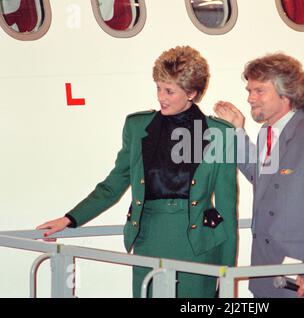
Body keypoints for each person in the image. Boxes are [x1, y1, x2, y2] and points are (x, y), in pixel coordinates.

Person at [37, 46, 238, 298]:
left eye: (169, 91)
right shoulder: (137, 126)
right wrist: (70, 218)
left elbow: (227, 209)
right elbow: (114, 184)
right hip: (149, 238)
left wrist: (228, 272)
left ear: (191, 93)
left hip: (199, 245)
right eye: (158, 87)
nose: (160, 97)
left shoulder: (221, 133)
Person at [214, 53, 304, 298]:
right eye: (249, 90)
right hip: (268, 275)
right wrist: (237, 132)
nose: (250, 98)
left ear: (286, 94)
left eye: (259, 91)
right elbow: (261, 177)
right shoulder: (268, 133)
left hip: (301, 283)